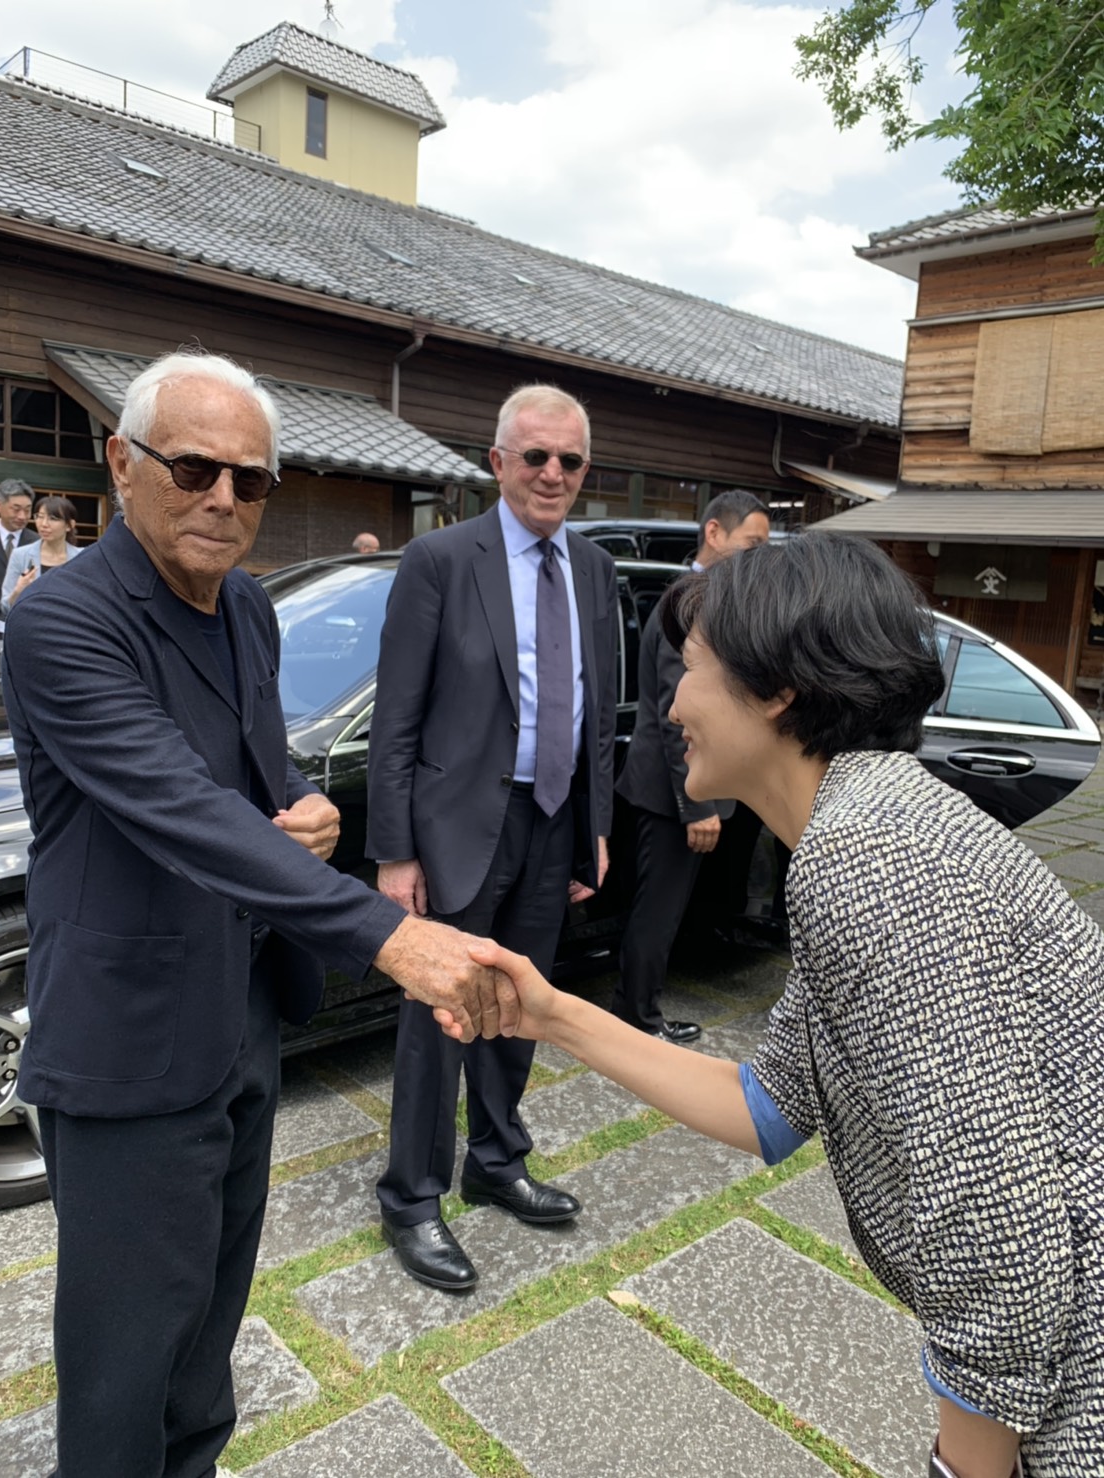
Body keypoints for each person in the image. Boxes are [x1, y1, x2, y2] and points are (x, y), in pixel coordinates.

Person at [469, 534, 1103, 1478]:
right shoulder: (875, 821)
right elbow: (769, 1107)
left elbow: (998, 1242)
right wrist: (552, 1012)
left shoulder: (868, 860)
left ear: (777, 691)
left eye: (689, 672)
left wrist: (967, 1466)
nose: (673, 703)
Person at [1, 350, 518, 1478]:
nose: (223, 499)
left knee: (210, 1328)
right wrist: (389, 933)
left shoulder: (243, 604)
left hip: (241, 1007)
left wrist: (305, 806)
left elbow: (249, 767)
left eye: (251, 479)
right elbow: (174, 804)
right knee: (126, 1351)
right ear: (121, 465)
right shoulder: (63, 623)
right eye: (193, 468)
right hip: (131, 1037)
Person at [366, 382, 617, 1292]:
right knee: (441, 1013)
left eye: (571, 460)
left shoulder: (592, 569)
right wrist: (394, 851)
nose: (553, 474)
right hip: (455, 826)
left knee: (523, 1005)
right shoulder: (440, 559)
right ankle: (413, 1196)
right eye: (536, 456)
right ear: (498, 461)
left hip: (553, 823)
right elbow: (397, 715)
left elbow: (598, 717)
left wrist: (595, 827)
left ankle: (498, 1161)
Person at [613, 489, 769, 1041]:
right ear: (714, 534)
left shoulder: (707, 597)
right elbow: (677, 714)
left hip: (674, 789)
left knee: (664, 910)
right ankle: (639, 1020)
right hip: (670, 791)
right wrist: (696, 804)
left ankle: (636, 1008)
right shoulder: (690, 602)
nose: (758, 554)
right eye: (752, 543)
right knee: (657, 913)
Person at [0, 495, 83, 616]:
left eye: (53, 518)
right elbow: (5, 607)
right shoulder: (21, 555)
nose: (44, 524)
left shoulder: (81, 557)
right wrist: (18, 591)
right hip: (31, 626)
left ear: (69, 525)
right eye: (39, 517)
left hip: (68, 627)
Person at [0, 478, 39, 648]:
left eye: (27, 510)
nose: (22, 516)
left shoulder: (38, 542)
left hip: (25, 625)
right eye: (16, 509)